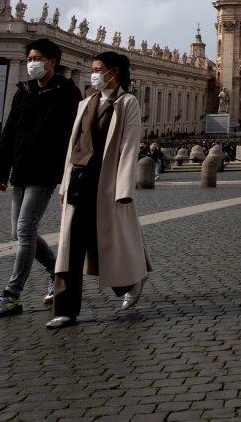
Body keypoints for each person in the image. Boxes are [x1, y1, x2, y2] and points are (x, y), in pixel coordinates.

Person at [47, 52, 152, 329]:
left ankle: (131, 281)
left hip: (106, 182)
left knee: (105, 241)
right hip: (79, 181)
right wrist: (65, 183)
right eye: (92, 69)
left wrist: (124, 187)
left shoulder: (126, 103)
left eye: (98, 69)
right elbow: (74, 146)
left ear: (113, 73)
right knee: (70, 246)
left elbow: (129, 146)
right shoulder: (85, 103)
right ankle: (65, 309)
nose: (93, 74)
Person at [0, 38, 83, 319]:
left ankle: (12, 293)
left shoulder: (67, 92)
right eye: (29, 58)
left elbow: (72, 136)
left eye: (36, 58)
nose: (31, 63)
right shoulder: (23, 92)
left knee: (25, 229)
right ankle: (55, 272)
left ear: (52, 62)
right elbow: (9, 131)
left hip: (45, 169)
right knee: (18, 231)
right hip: (21, 168)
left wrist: (66, 172)